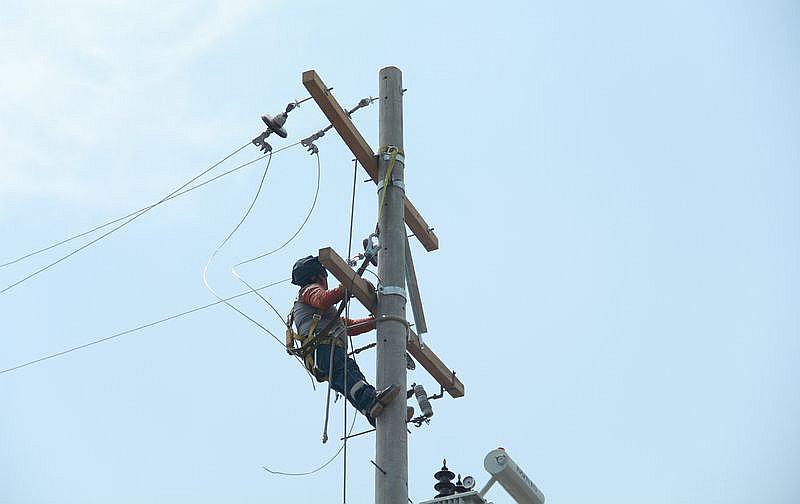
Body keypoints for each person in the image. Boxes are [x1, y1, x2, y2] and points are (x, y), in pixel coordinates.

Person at [288, 255, 404, 426]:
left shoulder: (316, 313)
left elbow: (348, 326)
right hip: (325, 350)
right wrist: (347, 287)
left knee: (350, 380)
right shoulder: (309, 290)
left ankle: (374, 414)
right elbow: (323, 299)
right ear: (320, 276)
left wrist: (378, 321)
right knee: (348, 373)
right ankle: (371, 401)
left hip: (322, 356)